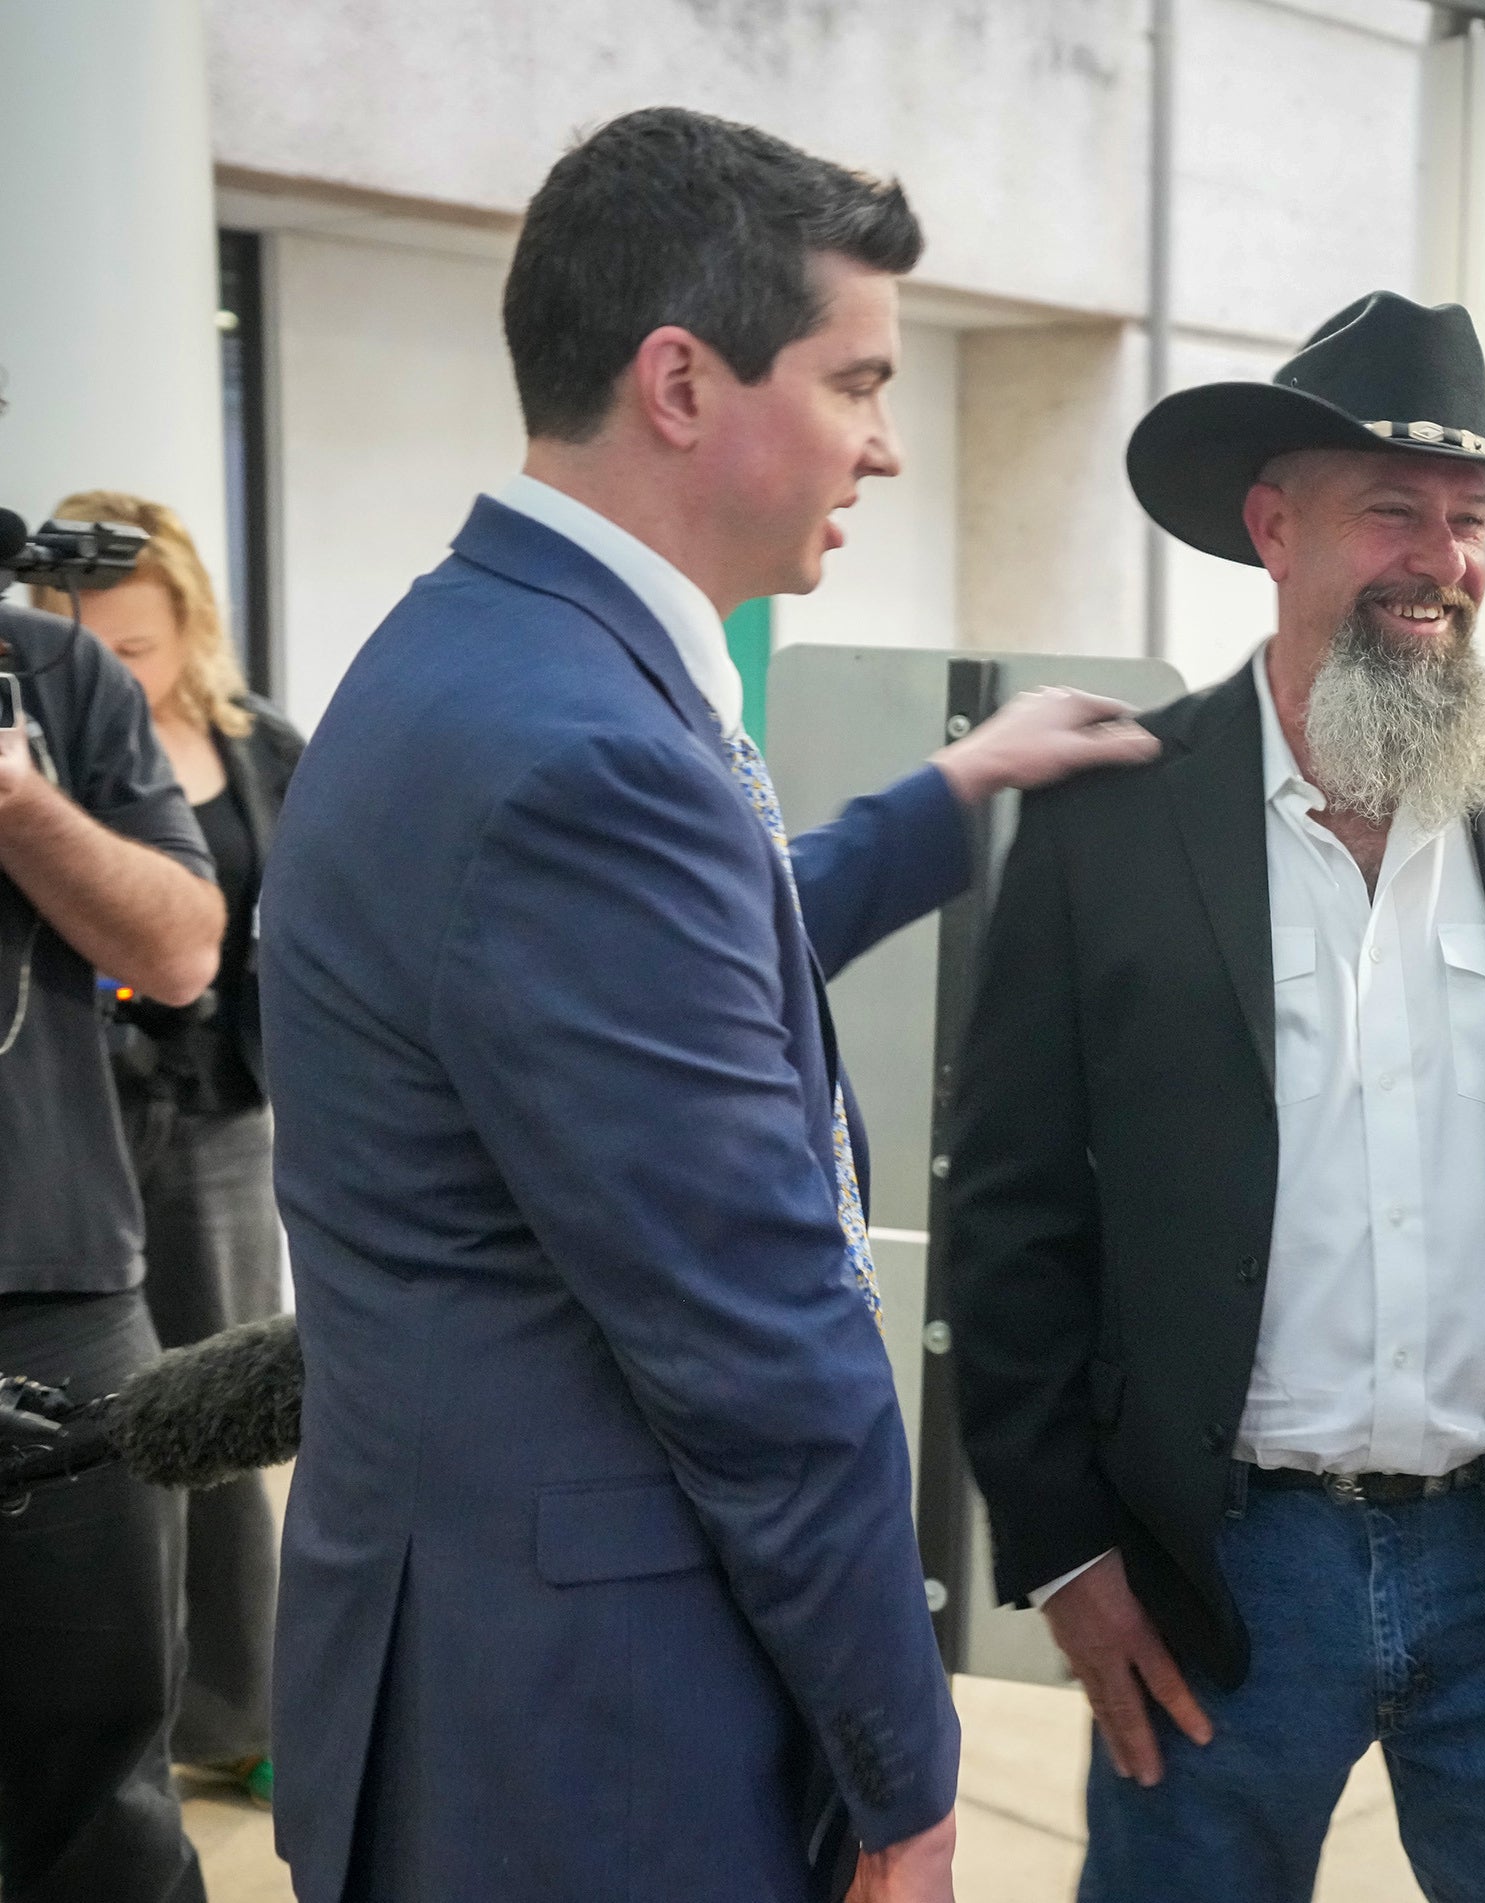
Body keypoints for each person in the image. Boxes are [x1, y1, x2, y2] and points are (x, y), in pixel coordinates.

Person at [258, 108, 1153, 1903]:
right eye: (856, 381)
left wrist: (949, 791)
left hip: (485, 1664)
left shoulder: (493, 655)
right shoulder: (585, 752)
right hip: (592, 1733)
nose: (885, 447)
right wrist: (907, 1776)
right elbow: (761, 1337)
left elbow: (658, 993)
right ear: (680, 382)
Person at [945, 290, 1485, 1903]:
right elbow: (1010, 1208)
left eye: (1466, 521)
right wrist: (1066, 1555)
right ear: (1271, 526)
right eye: (1392, 509)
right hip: (1218, 1573)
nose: (1439, 559)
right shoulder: (1111, 821)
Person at [28, 491, 300, 1797]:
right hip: (85, 1108)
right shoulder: (56, 731)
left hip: (224, 1110)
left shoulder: (266, 752)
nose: (117, 671)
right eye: (96, 643)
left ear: (189, 631)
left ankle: (237, 1708)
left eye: (140, 651)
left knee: (218, 1417)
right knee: (94, 1433)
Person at [0, 576, 224, 1895]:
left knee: (102, 1787)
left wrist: (23, 806)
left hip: (63, 1293)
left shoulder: (59, 677)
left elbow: (184, 949)